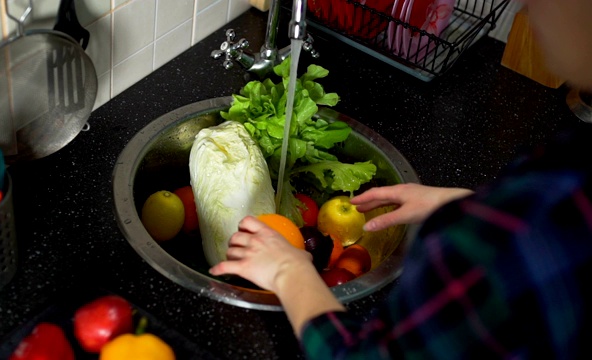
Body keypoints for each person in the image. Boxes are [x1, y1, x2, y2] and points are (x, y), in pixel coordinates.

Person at [210, 0, 592, 358]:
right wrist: (463, 206)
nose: (527, 6)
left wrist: (289, 271)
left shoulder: (509, 243)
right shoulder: (561, 178)